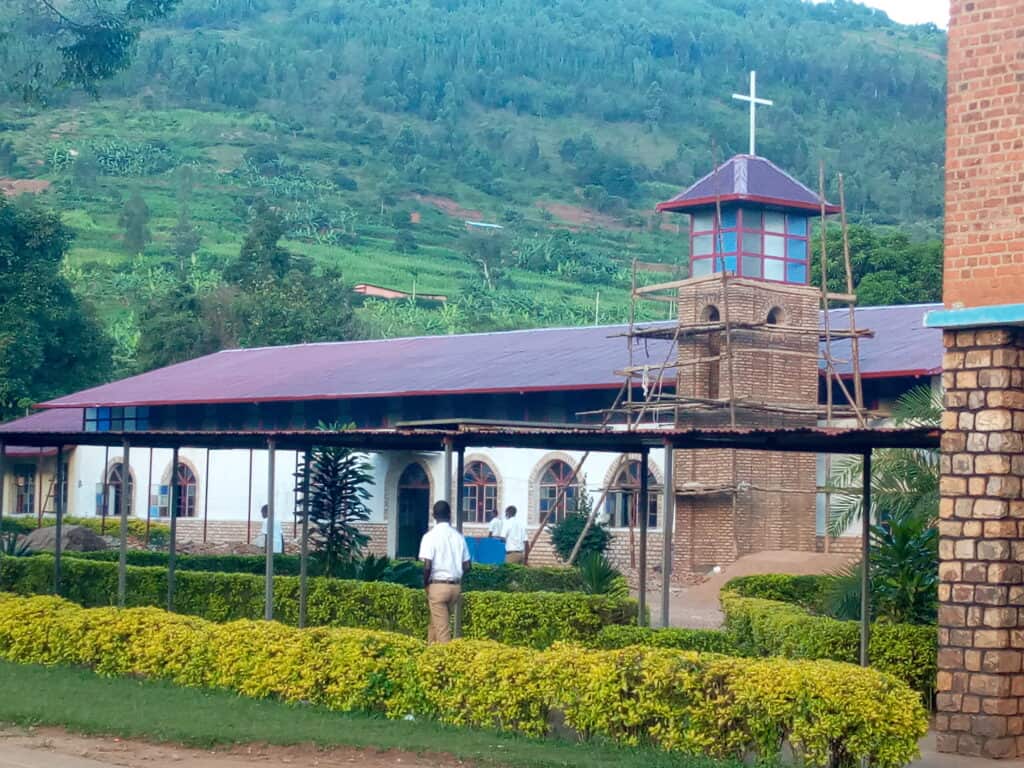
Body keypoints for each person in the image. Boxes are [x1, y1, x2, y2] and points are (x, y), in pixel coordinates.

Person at [418, 500, 471, 644]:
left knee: (442, 630)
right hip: (455, 587)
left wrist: (425, 585)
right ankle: (430, 652)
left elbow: (427, 566)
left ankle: (445, 661)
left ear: (433, 515)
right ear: (450, 514)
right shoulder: (459, 537)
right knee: (436, 623)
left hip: (437, 585)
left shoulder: (429, 537)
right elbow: (467, 566)